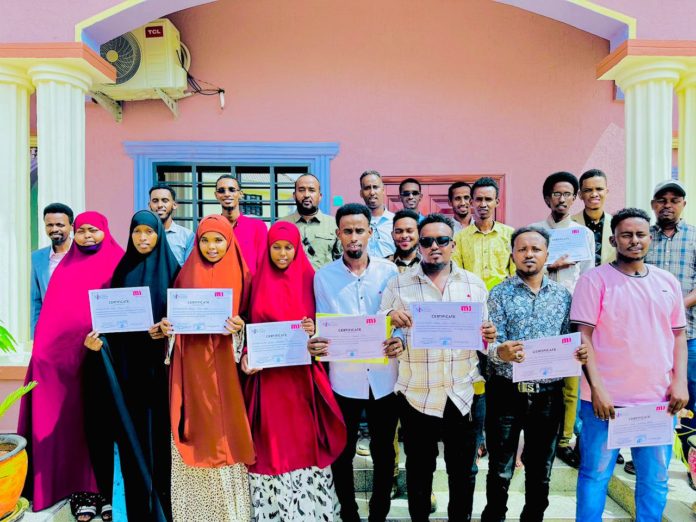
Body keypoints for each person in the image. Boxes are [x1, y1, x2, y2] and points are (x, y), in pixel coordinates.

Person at [572, 208, 688, 521]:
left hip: (657, 401)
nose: (634, 241)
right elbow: (583, 337)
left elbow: (678, 336)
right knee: (595, 476)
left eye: (640, 234)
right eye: (626, 234)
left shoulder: (667, 282)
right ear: (614, 239)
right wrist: (597, 389)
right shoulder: (594, 281)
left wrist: (679, 383)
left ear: (649, 238)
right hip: (604, 403)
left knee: (655, 479)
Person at [381, 213, 497, 522]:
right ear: (419, 245)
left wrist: (488, 335)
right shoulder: (398, 285)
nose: (435, 246)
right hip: (417, 395)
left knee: (465, 474)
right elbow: (385, 332)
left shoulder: (473, 285)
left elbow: (485, 338)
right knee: (419, 474)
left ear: (453, 245)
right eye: (427, 241)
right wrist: (392, 328)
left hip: (463, 393)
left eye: (442, 240)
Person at [18, 212, 124, 522]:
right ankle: (82, 493)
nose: (88, 236)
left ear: (105, 230)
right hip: (67, 365)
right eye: (82, 231)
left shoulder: (119, 261)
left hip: (106, 362)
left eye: (94, 230)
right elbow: (53, 319)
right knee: (74, 426)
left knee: (105, 427)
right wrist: (43, 359)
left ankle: (107, 493)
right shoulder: (65, 268)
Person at [241, 221, 346, 521]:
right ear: (268, 247)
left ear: (297, 247)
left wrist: (314, 329)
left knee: (303, 443)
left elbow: (325, 320)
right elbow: (249, 327)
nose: (283, 253)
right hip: (269, 381)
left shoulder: (311, 279)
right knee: (271, 445)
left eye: (288, 247)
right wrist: (247, 355)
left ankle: (310, 512)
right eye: (277, 247)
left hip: (301, 380)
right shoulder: (255, 281)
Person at [482, 226, 586, 522]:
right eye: (522, 249)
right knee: (500, 470)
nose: (529, 254)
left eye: (536, 249)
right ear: (512, 255)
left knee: (541, 472)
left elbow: (569, 339)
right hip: (506, 392)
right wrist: (500, 352)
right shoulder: (498, 293)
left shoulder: (563, 296)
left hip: (548, 396)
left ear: (547, 255)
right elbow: (490, 343)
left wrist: (577, 353)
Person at [308, 203, 402, 522]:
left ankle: (379, 512)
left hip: (384, 377)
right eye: (347, 231)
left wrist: (398, 337)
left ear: (370, 233)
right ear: (338, 235)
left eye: (359, 230)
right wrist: (318, 341)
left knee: (384, 451)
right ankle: (348, 511)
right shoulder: (324, 277)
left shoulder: (389, 273)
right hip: (344, 379)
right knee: (343, 450)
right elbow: (322, 324)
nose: (354, 237)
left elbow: (398, 318)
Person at [162, 214, 255, 521]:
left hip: (228, 371)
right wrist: (169, 329)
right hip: (192, 369)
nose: (212, 247)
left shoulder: (243, 274)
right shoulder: (185, 274)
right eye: (205, 240)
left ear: (230, 241)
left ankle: (233, 513)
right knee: (193, 428)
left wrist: (240, 328)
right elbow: (173, 320)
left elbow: (256, 319)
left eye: (219, 240)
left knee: (228, 433)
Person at [91, 210, 179, 521]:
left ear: (159, 235)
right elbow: (113, 325)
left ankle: (168, 511)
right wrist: (98, 343)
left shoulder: (175, 272)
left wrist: (166, 331)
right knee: (134, 443)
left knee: (165, 447)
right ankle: (141, 511)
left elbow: (187, 321)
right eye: (137, 232)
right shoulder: (121, 272)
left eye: (149, 232)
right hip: (132, 375)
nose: (143, 238)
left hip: (166, 376)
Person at [530, 171, 594, 468]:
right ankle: (535, 436)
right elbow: (522, 271)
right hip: (538, 311)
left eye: (569, 194)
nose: (563, 199)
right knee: (537, 374)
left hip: (571, 313)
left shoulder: (583, 235)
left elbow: (589, 277)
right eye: (557, 193)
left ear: (575, 198)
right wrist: (551, 267)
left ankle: (565, 439)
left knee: (570, 381)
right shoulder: (533, 232)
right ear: (547, 198)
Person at [645, 179, 696, 482]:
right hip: (649, 339)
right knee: (652, 397)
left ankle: (692, 461)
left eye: (674, 199)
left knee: (689, 399)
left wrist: (676, 306)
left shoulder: (694, 237)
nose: (667, 204)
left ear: (683, 205)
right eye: (661, 199)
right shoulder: (642, 236)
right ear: (653, 205)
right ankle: (648, 458)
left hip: (688, 335)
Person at [452, 177, 514, 291]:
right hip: (471, 298)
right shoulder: (459, 238)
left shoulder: (510, 235)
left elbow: (515, 274)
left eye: (488, 199)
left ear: (497, 202)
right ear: (471, 202)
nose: (483, 204)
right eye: (479, 199)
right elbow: (457, 275)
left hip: (503, 298)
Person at [278, 173, 341, 269]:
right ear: (294, 195)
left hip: (323, 283)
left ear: (320, 196)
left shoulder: (334, 224)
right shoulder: (281, 225)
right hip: (291, 283)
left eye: (311, 190)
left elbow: (341, 261)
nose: (306, 195)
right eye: (301, 190)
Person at [30, 202, 74, 336]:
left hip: (80, 332)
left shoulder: (82, 254)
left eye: (60, 225)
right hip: (50, 331)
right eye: (49, 225)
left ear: (71, 227)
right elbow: (36, 300)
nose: (54, 229)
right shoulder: (37, 258)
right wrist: (36, 334)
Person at [215, 174, 268, 276]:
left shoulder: (258, 227)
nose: (227, 194)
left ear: (240, 194)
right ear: (216, 195)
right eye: (221, 190)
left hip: (249, 289)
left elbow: (264, 265)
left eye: (232, 190)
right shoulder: (210, 226)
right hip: (220, 289)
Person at [571, 169, 615, 266]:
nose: (594, 194)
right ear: (580, 195)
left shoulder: (617, 224)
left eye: (599, 189)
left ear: (606, 192)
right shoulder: (569, 224)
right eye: (588, 190)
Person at [148, 183, 194, 266]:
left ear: (174, 205)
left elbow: (189, 271)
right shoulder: (143, 235)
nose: (160, 205)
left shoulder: (187, 236)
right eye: (155, 201)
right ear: (149, 205)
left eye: (165, 200)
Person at [360, 170, 396, 258]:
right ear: (361, 193)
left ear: (383, 190)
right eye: (367, 188)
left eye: (375, 187)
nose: (372, 192)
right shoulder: (357, 222)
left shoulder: (395, 222)